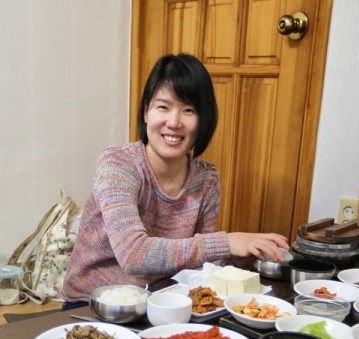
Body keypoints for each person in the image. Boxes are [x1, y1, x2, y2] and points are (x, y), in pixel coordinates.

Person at [61, 53, 290, 305]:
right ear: (146, 112)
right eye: (163, 107)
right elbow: (133, 255)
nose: (174, 122)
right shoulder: (118, 164)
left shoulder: (205, 178)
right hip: (93, 303)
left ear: (203, 120)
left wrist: (241, 257)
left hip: (166, 301)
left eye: (188, 110)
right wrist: (228, 242)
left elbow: (205, 263)